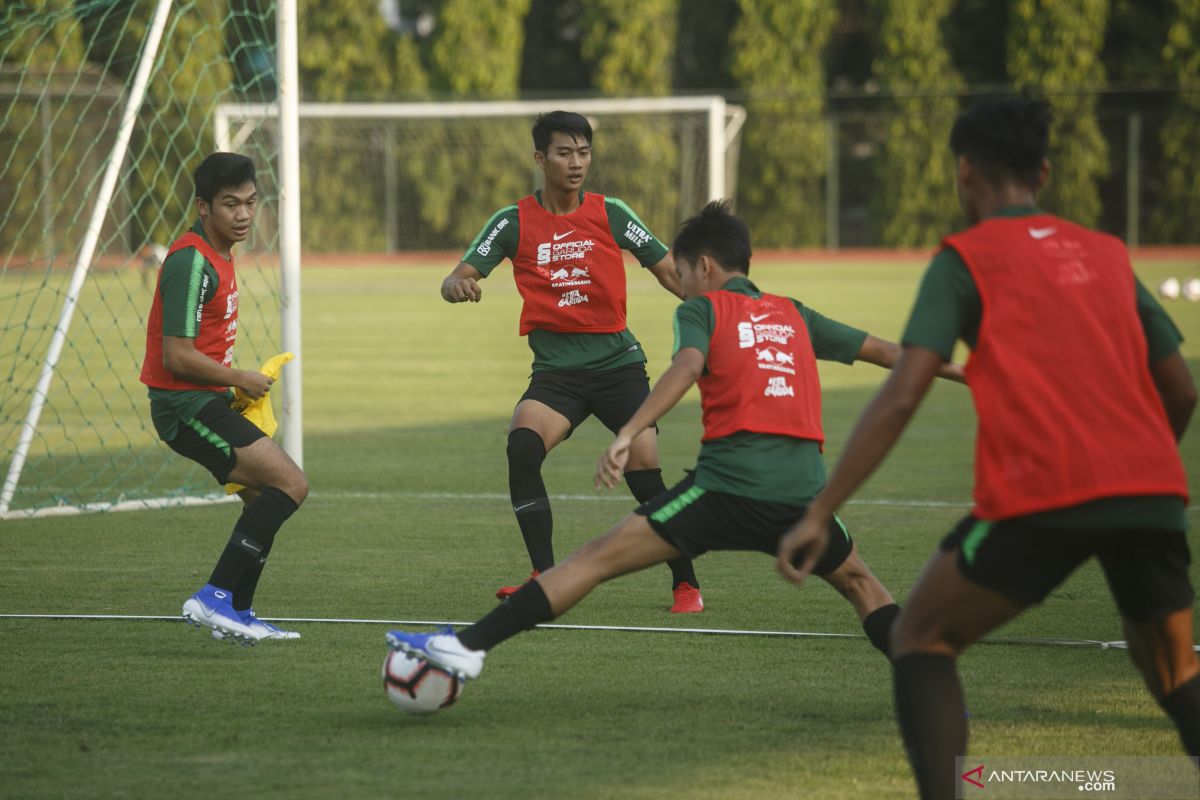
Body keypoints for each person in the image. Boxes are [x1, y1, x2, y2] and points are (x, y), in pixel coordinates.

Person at [777, 96, 1199, 800]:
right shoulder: (1106, 252)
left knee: (921, 638)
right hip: (1152, 488)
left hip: (1044, 490)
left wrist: (823, 510)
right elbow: (1181, 389)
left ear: (964, 171)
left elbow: (904, 393)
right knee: (1175, 675)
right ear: (1045, 170)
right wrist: (1136, 471)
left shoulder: (963, 260)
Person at [385, 200, 965, 682]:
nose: (679, 283)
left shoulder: (703, 312)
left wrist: (629, 432)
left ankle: (465, 649)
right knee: (864, 586)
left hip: (723, 493)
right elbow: (896, 355)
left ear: (705, 268)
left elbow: (687, 367)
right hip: (805, 502)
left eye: (682, 273)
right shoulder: (795, 313)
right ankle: (935, 691)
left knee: (592, 559)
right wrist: (973, 374)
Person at [440, 110, 703, 612]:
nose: (576, 162)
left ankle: (685, 582)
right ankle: (544, 576)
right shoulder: (512, 221)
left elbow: (670, 272)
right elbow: (456, 276)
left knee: (645, 471)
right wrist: (459, 285)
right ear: (541, 158)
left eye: (584, 152)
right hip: (557, 375)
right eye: (565, 152)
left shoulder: (612, 213)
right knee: (522, 446)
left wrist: (712, 311)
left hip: (618, 366)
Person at [140, 152, 309, 644]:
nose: (242, 214)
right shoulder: (191, 261)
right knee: (291, 484)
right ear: (202, 207)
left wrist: (230, 386)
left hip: (203, 400)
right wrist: (239, 378)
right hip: (181, 406)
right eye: (230, 204)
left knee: (263, 498)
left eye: (250, 203)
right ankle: (212, 597)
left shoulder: (220, 257)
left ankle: (238, 611)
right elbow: (176, 355)